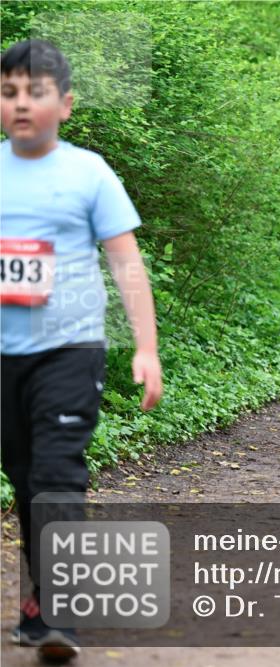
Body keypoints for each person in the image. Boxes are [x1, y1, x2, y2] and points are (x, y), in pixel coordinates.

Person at [1, 39, 163, 661]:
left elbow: (126, 263)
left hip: (70, 350)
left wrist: (144, 346)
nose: (22, 104)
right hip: (3, 358)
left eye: (35, 93)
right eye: (10, 92)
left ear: (64, 104)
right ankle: (39, 606)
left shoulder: (89, 172)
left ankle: (62, 612)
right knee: (23, 478)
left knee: (56, 474)